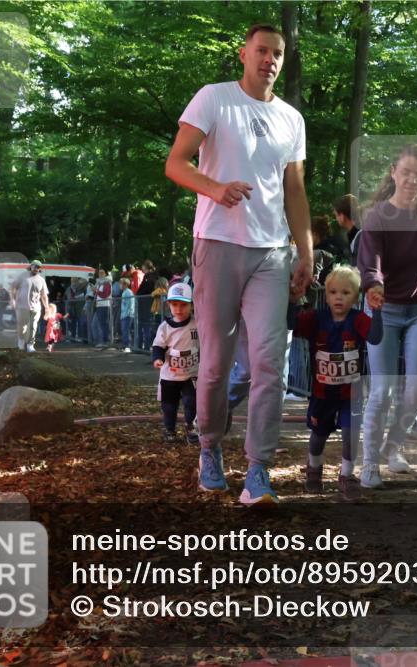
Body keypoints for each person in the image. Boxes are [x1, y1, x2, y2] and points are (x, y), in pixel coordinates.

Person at [166, 23, 312, 505]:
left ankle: (258, 470)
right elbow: (176, 163)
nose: (270, 60)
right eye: (262, 51)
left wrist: (305, 250)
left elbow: (295, 190)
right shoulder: (214, 98)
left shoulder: (291, 118)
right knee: (216, 363)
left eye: (278, 54)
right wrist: (215, 189)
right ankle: (209, 447)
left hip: (271, 252)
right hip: (217, 244)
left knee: (270, 362)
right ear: (244, 53)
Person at [356, 143, 417, 488]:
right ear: (393, 173)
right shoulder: (379, 215)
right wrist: (373, 285)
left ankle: (393, 444)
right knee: (382, 390)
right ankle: (370, 463)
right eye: (406, 173)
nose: (412, 180)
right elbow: (370, 262)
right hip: (383, 309)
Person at [288, 266, 384, 501]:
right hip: (322, 393)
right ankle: (314, 468)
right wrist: (293, 300)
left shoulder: (357, 319)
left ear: (356, 296)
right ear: (327, 295)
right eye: (333, 292)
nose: (339, 297)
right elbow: (292, 325)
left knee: (351, 434)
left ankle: (347, 475)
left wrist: (377, 312)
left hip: (350, 394)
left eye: (345, 292)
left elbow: (375, 338)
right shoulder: (317, 318)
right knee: (319, 434)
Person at [151, 282, 200, 445]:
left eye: (183, 305)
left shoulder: (197, 324)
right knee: (169, 406)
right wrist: (157, 358)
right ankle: (169, 430)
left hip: (191, 374)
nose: (179, 309)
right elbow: (158, 345)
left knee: (191, 402)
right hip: (170, 376)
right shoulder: (165, 327)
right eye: (175, 305)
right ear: (169, 305)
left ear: (191, 305)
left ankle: (191, 429)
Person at [11, 260, 49, 352]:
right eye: (35, 266)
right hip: (22, 306)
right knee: (22, 326)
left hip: (36, 307)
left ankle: (30, 345)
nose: (36, 268)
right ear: (31, 266)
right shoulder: (22, 276)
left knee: (33, 326)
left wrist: (47, 307)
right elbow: (13, 288)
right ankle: (21, 341)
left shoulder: (41, 280)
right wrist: (12, 300)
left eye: (38, 267)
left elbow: (44, 295)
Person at [334, 194, 362, 264]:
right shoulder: (356, 235)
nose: (336, 219)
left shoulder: (360, 237)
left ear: (342, 216)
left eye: (336, 215)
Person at [136, 260, 158, 349]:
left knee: (145, 325)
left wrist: (139, 294)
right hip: (146, 303)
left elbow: (145, 288)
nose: (142, 268)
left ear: (146, 267)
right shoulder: (151, 276)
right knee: (145, 325)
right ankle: (143, 346)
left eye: (143, 266)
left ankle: (145, 347)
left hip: (146, 303)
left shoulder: (149, 277)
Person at [92, 268, 113, 348]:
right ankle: (99, 341)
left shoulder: (107, 283)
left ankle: (105, 342)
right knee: (95, 324)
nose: (100, 274)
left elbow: (105, 295)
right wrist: (95, 291)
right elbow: (99, 294)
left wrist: (96, 291)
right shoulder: (99, 283)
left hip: (104, 305)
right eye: (99, 273)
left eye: (102, 273)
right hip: (99, 305)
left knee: (103, 325)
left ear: (105, 274)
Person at [118, 277, 136, 352]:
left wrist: (128, 313)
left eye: (121, 284)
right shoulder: (124, 292)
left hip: (127, 315)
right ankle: (125, 346)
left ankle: (128, 346)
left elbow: (130, 304)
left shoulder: (128, 292)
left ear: (125, 284)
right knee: (124, 330)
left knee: (126, 330)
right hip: (124, 314)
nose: (119, 285)